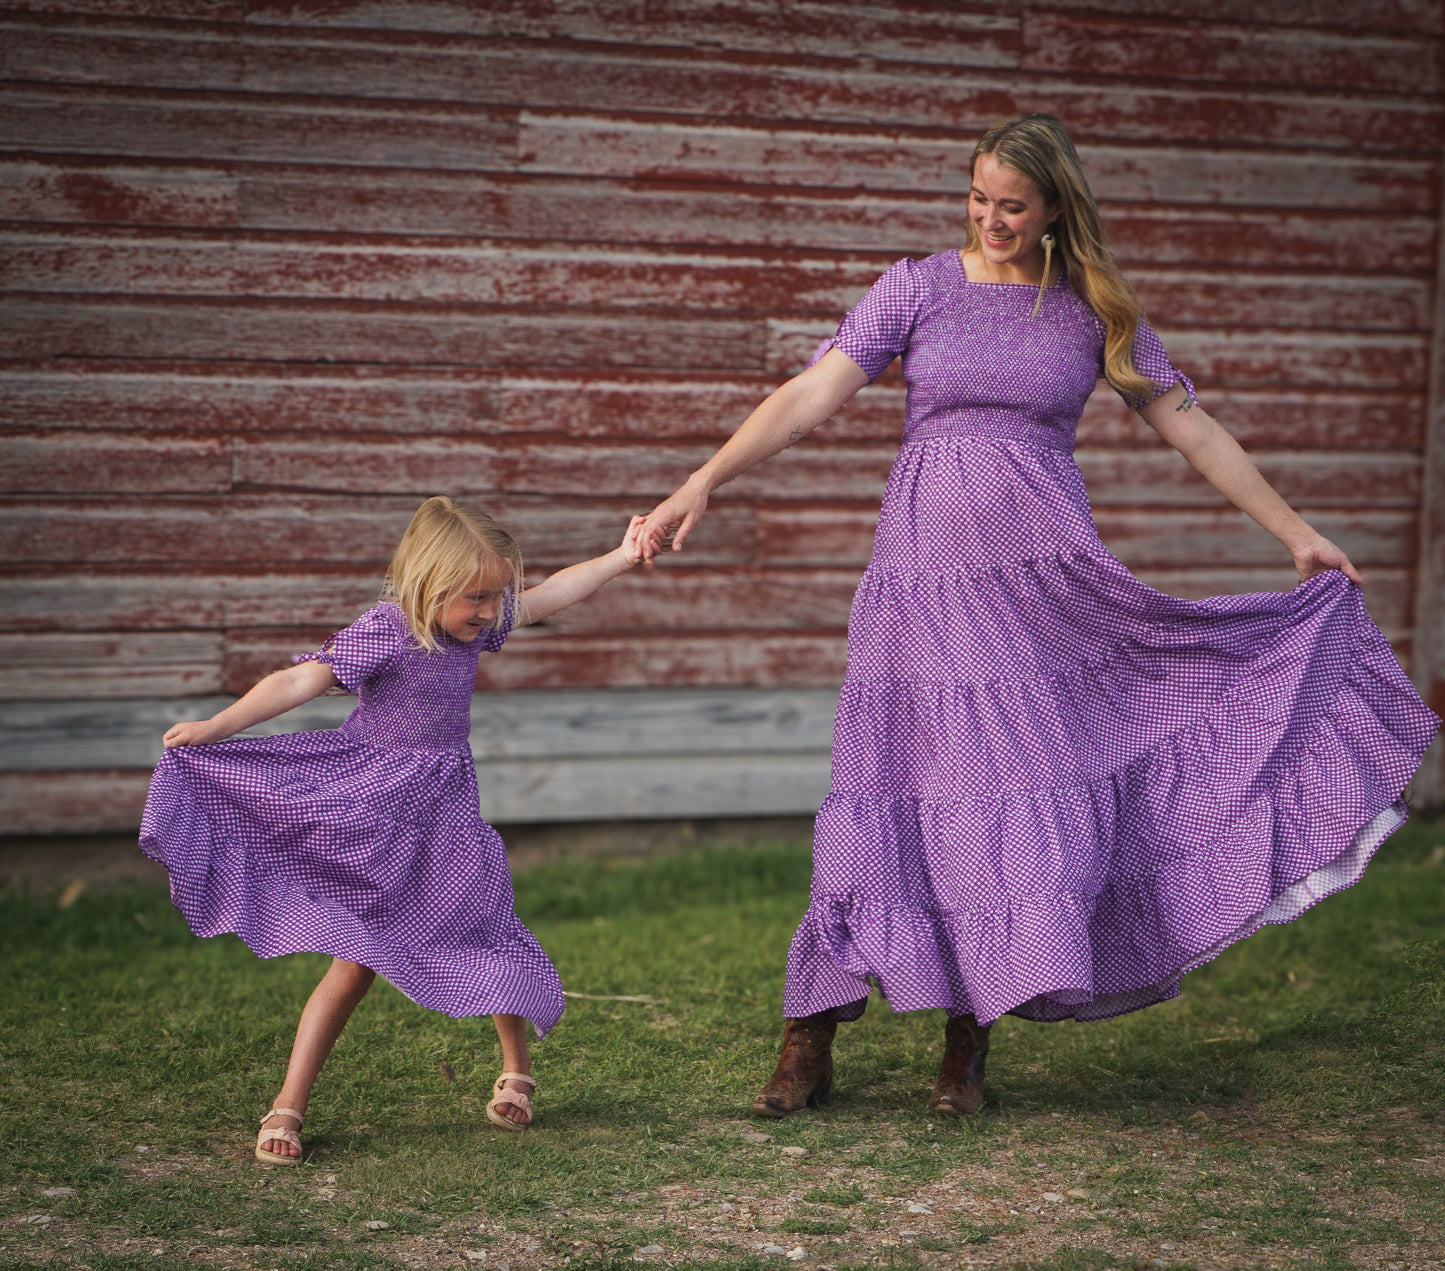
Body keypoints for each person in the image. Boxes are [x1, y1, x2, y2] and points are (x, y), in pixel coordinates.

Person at [637, 113, 1439, 1119]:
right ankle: (809, 1033)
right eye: (976, 199)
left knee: (1000, 810)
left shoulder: (1087, 311)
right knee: (880, 794)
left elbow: (1189, 426)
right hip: (920, 595)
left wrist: (1294, 532)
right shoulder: (917, 287)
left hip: (1038, 603)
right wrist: (700, 481)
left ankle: (965, 1042)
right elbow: (809, 395)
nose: (989, 218)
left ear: (1054, 205)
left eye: (1010, 204)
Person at [141, 496, 645, 1161]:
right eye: (476, 597)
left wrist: (621, 556)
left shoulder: (476, 628)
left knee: (484, 929)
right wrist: (214, 728)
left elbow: (553, 594)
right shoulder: (386, 630)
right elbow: (298, 680)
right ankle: (287, 1104)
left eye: (497, 596)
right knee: (352, 966)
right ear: (428, 584)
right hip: (372, 822)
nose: (491, 612)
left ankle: (516, 1069)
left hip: (445, 819)